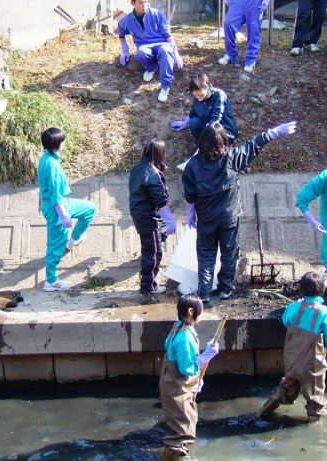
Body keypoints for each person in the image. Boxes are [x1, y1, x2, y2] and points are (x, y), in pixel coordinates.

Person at [182, 120, 297, 303]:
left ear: (202, 141)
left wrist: (190, 213)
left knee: (206, 256)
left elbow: (190, 193)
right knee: (229, 254)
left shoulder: (192, 166)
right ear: (223, 141)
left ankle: (204, 292)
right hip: (229, 218)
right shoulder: (232, 158)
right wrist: (273, 132)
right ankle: (226, 288)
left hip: (206, 219)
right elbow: (253, 145)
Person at [255, 272, 327, 423]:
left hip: (292, 359)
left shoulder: (293, 307)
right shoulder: (326, 314)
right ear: (322, 289)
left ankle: (259, 414)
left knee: (285, 389)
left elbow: (286, 322)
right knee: (315, 400)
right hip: (312, 365)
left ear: (301, 289)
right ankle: (315, 430)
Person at [159, 294, 220, 460]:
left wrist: (197, 380)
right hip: (177, 389)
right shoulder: (184, 337)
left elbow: (166, 345)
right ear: (191, 311)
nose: (202, 314)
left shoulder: (177, 326)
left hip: (174, 384)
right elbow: (187, 368)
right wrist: (206, 356)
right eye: (201, 311)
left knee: (184, 422)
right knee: (182, 433)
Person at [38, 127, 97, 291]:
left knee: (90, 209)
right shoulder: (52, 166)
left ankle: (75, 239)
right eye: (62, 140)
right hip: (56, 208)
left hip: (60, 203)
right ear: (57, 144)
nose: (64, 142)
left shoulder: (47, 157)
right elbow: (56, 196)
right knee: (55, 246)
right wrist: (64, 216)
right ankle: (51, 281)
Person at [129, 138, 176, 295]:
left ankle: (147, 281)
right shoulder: (153, 174)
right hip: (149, 217)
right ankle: (148, 285)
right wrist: (169, 220)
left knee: (153, 245)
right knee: (154, 252)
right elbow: (160, 200)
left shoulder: (137, 169)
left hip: (139, 213)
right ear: (160, 153)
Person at [118, 0, 183, 102]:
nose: (144, 5)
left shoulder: (156, 14)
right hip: (144, 45)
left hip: (162, 43)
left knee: (165, 51)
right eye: (140, 2)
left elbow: (168, 35)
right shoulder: (127, 20)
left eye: (145, 1)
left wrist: (176, 53)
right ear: (133, 3)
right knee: (141, 53)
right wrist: (125, 51)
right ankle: (152, 67)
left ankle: (165, 86)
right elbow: (121, 35)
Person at [170, 73, 238, 146]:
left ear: (208, 87)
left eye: (201, 95)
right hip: (208, 126)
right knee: (194, 122)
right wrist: (186, 122)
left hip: (223, 131)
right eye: (195, 95)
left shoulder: (219, 96)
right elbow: (194, 112)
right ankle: (201, 145)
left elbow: (216, 118)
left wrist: (206, 133)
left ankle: (210, 148)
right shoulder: (197, 97)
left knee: (214, 135)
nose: (198, 98)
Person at [218, 0, 269, 72]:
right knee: (228, 23)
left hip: (255, 3)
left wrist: (266, 1)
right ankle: (230, 54)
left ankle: (251, 59)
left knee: (253, 30)